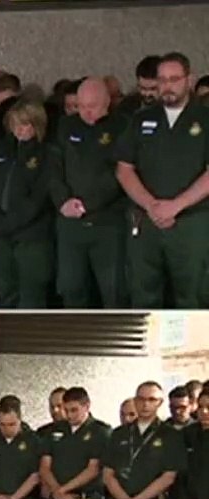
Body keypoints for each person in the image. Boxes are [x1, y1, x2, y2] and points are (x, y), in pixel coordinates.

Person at [115, 52, 209, 308]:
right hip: (146, 222)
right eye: (162, 80)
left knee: (193, 296)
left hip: (191, 223)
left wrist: (175, 205)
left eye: (174, 79)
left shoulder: (205, 117)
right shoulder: (142, 118)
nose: (167, 86)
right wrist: (150, 205)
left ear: (189, 80)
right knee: (143, 294)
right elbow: (124, 168)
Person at [48, 77, 130, 309]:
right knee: (72, 289)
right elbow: (53, 168)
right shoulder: (66, 126)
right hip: (70, 223)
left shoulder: (122, 126)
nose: (86, 112)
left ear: (106, 102)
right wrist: (63, 201)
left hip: (108, 223)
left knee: (114, 292)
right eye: (81, 106)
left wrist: (88, 204)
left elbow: (120, 173)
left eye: (92, 106)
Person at [0, 100, 53, 308]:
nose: (19, 130)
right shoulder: (1, 149)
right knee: (5, 292)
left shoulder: (47, 153)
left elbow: (39, 196)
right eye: (14, 124)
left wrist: (11, 222)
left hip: (30, 237)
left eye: (25, 124)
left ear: (36, 125)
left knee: (31, 296)